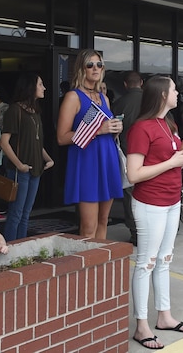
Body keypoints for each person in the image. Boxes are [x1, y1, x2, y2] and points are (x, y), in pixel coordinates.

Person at [125, 76, 183, 349]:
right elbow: (134, 174)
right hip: (150, 203)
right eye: (174, 89)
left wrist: (180, 159)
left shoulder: (168, 124)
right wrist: (172, 162)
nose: (178, 93)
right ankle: (142, 325)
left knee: (165, 259)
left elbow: (168, 162)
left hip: (170, 200)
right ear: (162, 94)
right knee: (147, 262)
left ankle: (164, 316)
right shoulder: (141, 128)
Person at [57, 50, 124, 239]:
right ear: (81, 68)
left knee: (104, 221)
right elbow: (62, 137)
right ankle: (86, 266)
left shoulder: (104, 98)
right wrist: (98, 130)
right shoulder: (73, 97)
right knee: (88, 226)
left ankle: (100, 264)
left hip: (107, 158)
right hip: (87, 162)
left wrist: (115, 128)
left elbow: (105, 128)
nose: (95, 68)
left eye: (99, 64)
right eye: (90, 65)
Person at [0, 72, 56, 241]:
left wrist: (49, 159)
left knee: (25, 214)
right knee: (16, 213)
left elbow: (37, 143)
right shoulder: (14, 110)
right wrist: (18, 164)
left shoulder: (35, 112)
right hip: (21, 170)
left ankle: (21, 249)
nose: (44, 88)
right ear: (30, 87)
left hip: (36, 169)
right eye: (40, 84)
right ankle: (9, 249)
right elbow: (4, 142)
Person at [112, 70, 144, 245]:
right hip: (150, 157)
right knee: (150, 192)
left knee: (131, 195)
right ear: (142, 82)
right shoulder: (152, 102)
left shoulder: (118, 104)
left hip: (127, 155)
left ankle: (135, 232)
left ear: (125, 84)